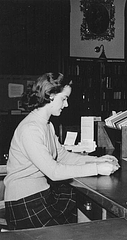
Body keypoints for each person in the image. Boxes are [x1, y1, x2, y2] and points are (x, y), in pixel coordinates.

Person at [4, 72, 120, 230]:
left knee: (73, 201)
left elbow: (62, 156)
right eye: (64, 99)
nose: (66, 105)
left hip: (39, 195)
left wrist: (96, 160)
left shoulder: (46, 125)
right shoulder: (30, 129)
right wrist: (97, 169)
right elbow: (54, 171)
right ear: (50, 95)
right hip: (25, 203)